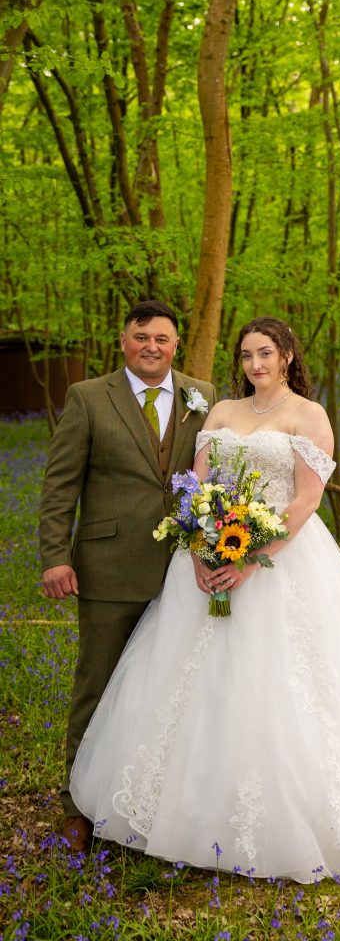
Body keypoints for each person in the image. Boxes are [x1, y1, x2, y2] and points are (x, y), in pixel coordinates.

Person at [69, 316, 340, 882]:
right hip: (209, 560)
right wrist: (200, 549)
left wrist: (248, 558)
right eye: (245, 356)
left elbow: (307, 501)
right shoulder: (221, 413)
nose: (255, 365)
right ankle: (184, 812)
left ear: (287, 354)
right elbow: (197, 489)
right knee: (198, 685)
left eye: (265, 353)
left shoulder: (309, 416)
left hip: (281, 564)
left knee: (279, 687)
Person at [39, 300, 216, 852]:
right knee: (99, 686)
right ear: (123, 341)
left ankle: (155, 804)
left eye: (162, 338)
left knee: (174, 691)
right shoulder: (89, 398)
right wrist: (54, 556)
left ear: (176, 344)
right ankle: (79, 809)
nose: (152, 346)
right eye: (141, 337)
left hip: (184, 572)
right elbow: (60, 485)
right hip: (110, 567)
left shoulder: (203, 396)